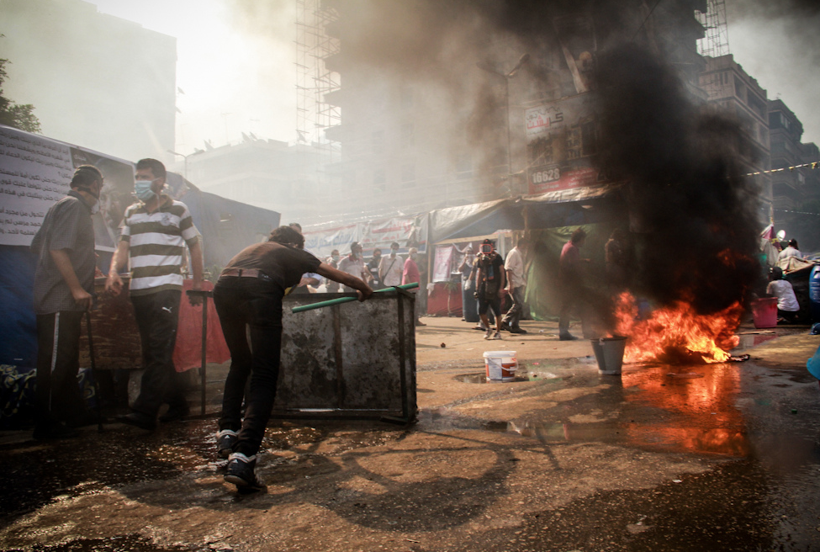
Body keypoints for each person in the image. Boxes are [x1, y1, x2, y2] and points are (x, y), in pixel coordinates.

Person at [214, 226, 373, 491]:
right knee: (264, 376)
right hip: (260, 289)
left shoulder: (253, 250)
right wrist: (364, 289)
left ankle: (227, 434)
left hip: (224, 287)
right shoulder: (295, 253)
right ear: (296, 245)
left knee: (241, 361)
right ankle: (243, 459)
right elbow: (340, 275)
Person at [106, 158, 204, 430]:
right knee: (153, 352)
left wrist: (197, 284)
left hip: (166, 289)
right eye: (137, 177)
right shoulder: (131, 212)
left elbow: (195, 246)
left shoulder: (178, 210)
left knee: (159, 350)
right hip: (139, 290)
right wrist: (114, 271)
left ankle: (145, 411)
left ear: (160, 181)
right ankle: (178, 403)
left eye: (144, 177)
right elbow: (122, 247)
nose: (139, 182)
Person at [30, 165, 104, 439]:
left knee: (68, 360)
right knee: (56, 363)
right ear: (95, 185)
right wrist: (75, 288)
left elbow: (37, 245)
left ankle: (73, 414)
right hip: (59, 298)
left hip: (64, 300)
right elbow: (56, 248)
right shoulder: (73, 206)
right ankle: (45, 423)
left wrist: (84, 257)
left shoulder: (60, 205)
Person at [558, 228, 590, 341]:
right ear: (580, 239)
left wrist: (583, 261)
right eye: (584, 240)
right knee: (573, 306)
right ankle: (584, 331)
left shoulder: (568, 246)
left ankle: (564, 331)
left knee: (567, 306)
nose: (584, 242)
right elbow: (574, 266)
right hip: (570, 282)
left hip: (567, 282)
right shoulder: (572, 248)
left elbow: (572, 262)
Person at [474, 239, 506, 339]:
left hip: (495, 286)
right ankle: (488, 329)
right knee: (481, 311)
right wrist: (477, 288)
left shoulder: (497, 258)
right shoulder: (480, 259)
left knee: (496, 310)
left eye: (488, 247)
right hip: (483, 286)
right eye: (484, 247)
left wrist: (501, 287)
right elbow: (479, 274)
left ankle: (498, 332)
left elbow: (502, 273)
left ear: (492, 247)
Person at [501, 238, 529, 334]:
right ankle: (505, 321)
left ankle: (514, 325)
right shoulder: (513, 253)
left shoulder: (519, 254)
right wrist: (511, 284)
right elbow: (509, 269)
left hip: (519, 282)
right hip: (514, 283)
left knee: (519, 305)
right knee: (518, 304)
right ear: (522, 244)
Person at [287, 223, 320, 294]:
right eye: (291, 231)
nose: (293, 234)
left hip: (300, 291)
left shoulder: (306, 254)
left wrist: (308, 280)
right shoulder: (278, 251)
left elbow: (318, 274)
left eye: (296, 231)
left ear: (300, 234)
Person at [402, 247, 425, 326]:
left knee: (415, 304)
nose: (414, 254)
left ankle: (415, 320)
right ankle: (414, 321)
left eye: (415, 252)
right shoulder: (408, 261)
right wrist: (409, 286)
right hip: (411, 287)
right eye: (413, 252)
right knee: (413, 304)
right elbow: (406, 274)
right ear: (409, 253)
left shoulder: (413, 262)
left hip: (415, 286)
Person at [604, 228, 630, 293]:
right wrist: (614, 264)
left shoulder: (617, 243)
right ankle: (615, 297)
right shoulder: (611, 242)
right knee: (614, 282)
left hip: (616, 265)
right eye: (621, 236)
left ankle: (619, 296)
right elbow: (610, 255)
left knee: (618, 282)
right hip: (613, 265)